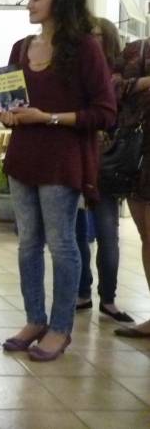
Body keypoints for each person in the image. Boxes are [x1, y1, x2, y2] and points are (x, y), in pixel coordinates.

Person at [0, 0, 116, 361]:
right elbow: (12, 104)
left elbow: (104, 112)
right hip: (23, 158)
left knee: (62, 243)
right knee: (28, 244)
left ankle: (61, 327)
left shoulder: (85, 49)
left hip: (62, 161)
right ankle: (35, 319)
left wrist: (46, 117)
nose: (29, 4)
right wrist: (7, 115)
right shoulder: (20, 48)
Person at [74, 17, 133, 323]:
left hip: (107, 164)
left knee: (107, 233)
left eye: (96, 35)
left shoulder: (117, 76)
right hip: (79, 160)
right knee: (76, 234)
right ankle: (82, 292)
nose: (91, 40)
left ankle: (107, 298)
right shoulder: (80, 72)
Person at [113, 35, 150, 338]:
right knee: (146, 235)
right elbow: (113, 89)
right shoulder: (135, 50)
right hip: (138, 151)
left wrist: (137, 85)